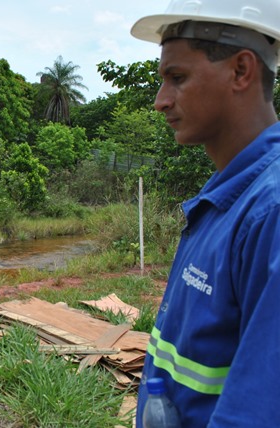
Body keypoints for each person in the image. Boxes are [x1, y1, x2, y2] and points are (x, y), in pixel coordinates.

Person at [130, 0, 280, 426]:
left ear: (241, 70)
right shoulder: (228, 195)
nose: (160, 101)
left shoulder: (270, 211)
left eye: (177, 78)